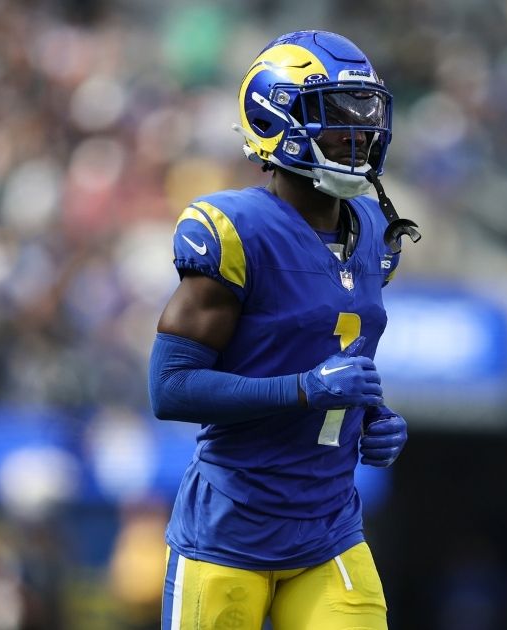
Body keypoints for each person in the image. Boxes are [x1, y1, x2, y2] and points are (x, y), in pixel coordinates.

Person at [148, 29, 416, 630]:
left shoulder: (374, 231)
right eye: (335, 115)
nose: (359, 132)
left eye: (364, 112)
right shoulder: (233, 230)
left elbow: (331, 352)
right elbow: (170, 389)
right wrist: (304, 390)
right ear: (276, 119)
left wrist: (373, 417)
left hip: (329, 528)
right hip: (231, 529)